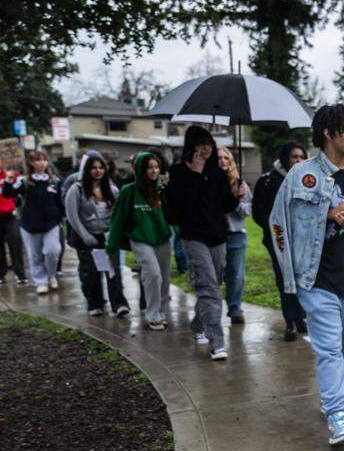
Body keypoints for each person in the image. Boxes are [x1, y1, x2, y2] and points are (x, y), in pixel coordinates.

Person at [271, 104, 344, 445]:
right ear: (327, 133)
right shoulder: (301, 175)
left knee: (343, 346)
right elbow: (279, 223)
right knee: (329, 350)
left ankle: (329, 396)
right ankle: (337, 415)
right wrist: (330, 214)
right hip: (317, 279)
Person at [164, 125, 239, 360]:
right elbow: (181, 208)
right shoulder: (178, 172)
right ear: (191, 146)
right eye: (200, 144)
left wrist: (235, 191)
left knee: (214, 284)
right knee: (209, 289)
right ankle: (217, 342)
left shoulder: (216, 171)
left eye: (208, 143)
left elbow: (226, 206)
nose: (205, 148)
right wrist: (195, 174)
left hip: (217, 236)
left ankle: (198, 323)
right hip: (193, 237)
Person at [106, 151, 173, 331]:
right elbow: (118, 219)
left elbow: (174, 214)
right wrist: (112, 244)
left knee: (164, 278)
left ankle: (161, 312)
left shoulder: (163, 189)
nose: (154, 171)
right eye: (149, 167)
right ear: (141, 169)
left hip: (163, 237)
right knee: (153, 274)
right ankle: (152, 315)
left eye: (156, 167)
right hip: (140, 238)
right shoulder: (129, 191)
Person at [252, 142, 308, 341]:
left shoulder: (306, 180)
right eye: (294, 156)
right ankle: (290, 321)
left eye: (302, 157)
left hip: (302, 241)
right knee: (285, 280)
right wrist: (275, 228)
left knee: (301, 279)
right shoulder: (269, 181)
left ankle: (301, 317)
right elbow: (258, 212)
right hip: (278, 241)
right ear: (285, 158)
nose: (298, 161)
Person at [66, 151, 130, 317]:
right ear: (87, 170)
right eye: (94, 168)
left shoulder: (112, 190)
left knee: (113, 271)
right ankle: (95, 303)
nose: (98, 171)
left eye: (101, 167)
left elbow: (118, 214)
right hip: (87, 239)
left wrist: (116, 234)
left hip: (108, 237)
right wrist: (85, 235)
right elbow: (72, 215)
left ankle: (119, 304)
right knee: (91, 273)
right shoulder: (76, 189)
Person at [3, 151, 64, 294]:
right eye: (38, 160)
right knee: (35, 255)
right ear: (31, 163)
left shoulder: (55, 180)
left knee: (53, 251)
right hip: (29, 224)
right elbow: (8, 194)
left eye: (44, 160)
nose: (42, 163)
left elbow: (60, 201)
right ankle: (41, 282)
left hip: (51, 223)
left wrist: (62, 217)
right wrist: (8, 181)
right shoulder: (24, 181)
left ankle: (51, 275)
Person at [217, 147, 252, 324]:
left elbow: (247, 211)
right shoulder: (209, 182)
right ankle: (213, 309)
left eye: (226, 158)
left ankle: (235, 309)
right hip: (215, 235)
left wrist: (237, 199)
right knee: (215, 274)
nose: (222, 161)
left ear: (231, 162)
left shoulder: (240, 184)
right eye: (219, 158)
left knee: (236, 275)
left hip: (236, 235)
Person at [0, 149, 26, 285]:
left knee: (15, 240)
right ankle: (0, 274)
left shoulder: (10, 172)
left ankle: (20, 274)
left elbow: (19, 187)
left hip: (10, 213)